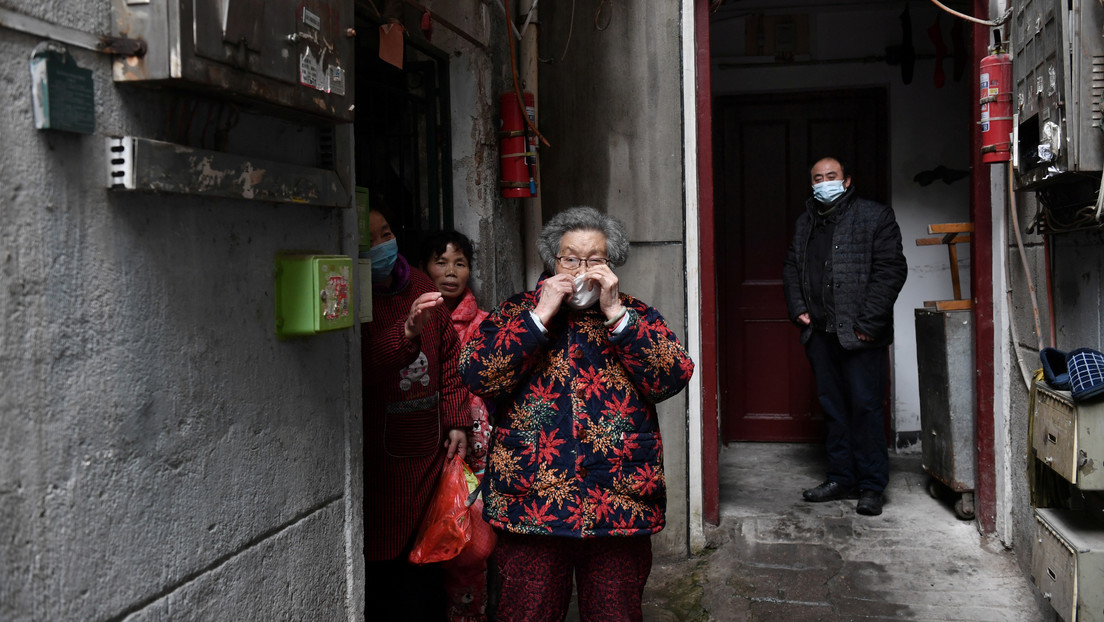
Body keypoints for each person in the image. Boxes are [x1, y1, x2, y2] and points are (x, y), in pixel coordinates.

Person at [460, 206, 694, 622]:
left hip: (618, 501)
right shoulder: (516, 313)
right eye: (571, 258)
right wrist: (539, 317)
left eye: (596, 260)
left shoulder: (635, 315)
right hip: (532, 501)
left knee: (615, 614)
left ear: (613, 264)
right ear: (554, 261)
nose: (583, 270)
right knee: (526, 614)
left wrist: (617, 315)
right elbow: (478, 374)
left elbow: (671, 377)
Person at [782, 156, 908, 517]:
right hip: (820, 334)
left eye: (831, 176)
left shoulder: (875, 216)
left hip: (861, 336)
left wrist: (869, 323)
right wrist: (798, 308)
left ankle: (871, 486)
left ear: (847, 180)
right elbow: (792, 266)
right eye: (818, 178)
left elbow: (890, 270)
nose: (824, 182)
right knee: (834, 410)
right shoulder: (806, 221)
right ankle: (840, 477)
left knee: (866, 410)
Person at [362, 207, 470, 620]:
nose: (382, 245)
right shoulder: (356, 299)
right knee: (383, 566)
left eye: (385, 233)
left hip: (429, 452)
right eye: (369, 240)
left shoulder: (421, 284)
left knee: (426, 561)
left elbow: (449, 359)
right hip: (380, 457)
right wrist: (406, 332)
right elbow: (362, 367)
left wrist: (458, 420)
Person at [420, 230, 493, 622]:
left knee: (470, 549)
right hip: (422, 455)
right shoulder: (415, 324)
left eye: (460, 263)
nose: (451, 272)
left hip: (474, 457)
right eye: (441, 262)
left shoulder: (484, 325)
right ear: (422, 269)